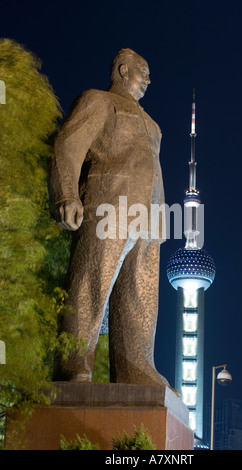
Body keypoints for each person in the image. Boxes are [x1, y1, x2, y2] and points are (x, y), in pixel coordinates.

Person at [49, 48, 169, 387]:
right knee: (90, 282)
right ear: (121, 69)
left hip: (149, 216)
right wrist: (65, 193)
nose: (148, 79)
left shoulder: (152, 124)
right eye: (142, 71)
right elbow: (68, 145)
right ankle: (74, 361)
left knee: (140, 298)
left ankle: (136, 368)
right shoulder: (97, 101)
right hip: (108, 205)